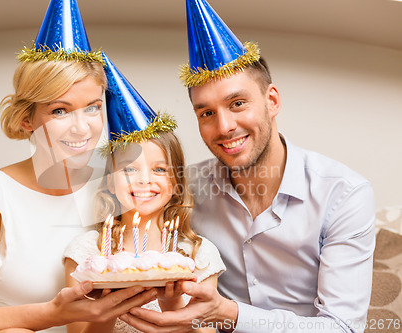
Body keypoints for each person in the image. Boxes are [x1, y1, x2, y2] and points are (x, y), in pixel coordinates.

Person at [119, 1, 376, 332]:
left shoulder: (343, 194)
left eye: (237, 103)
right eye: (206, 113)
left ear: (272, 101)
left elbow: (343, 328)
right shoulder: (185, 187)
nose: (224, 127)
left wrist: (228, 313)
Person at [0, 1, 156, 332]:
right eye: (60, 111)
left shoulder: (116, 188)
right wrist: (54, 313)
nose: (82, 128)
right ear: (27, 119)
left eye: (92, 108)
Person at [63, 54, 226, 333]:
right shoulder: (89, 253)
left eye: (160, 169)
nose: (144, 181)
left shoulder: (199, 254)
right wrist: (105, 304)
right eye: (129, 170)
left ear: (176, 183)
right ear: (110, 183)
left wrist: (172, 305)